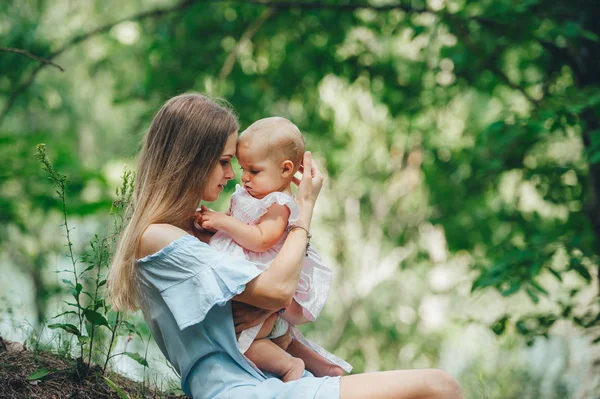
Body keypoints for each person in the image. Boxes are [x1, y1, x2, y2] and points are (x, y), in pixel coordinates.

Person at [108, 92, 463, 399]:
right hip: (243, 392)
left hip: (270, 382)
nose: (232, 175)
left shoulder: (203, 232)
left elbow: (266, 296)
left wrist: (267, 309)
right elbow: (276, 289)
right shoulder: (158, 237)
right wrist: (303, 210)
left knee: (439, 386)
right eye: (223, 161)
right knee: (439, 387)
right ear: (190, 160)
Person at [197, 116, 350, 382]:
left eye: (253, 171)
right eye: (242, 168)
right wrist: (217, 221)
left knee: (244, 342)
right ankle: (325, 368)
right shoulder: (252, 194)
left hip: (267, 284)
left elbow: (261, 239)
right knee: (284, 338)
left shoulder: (280, 203)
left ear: (286, 169)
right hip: (264, 299)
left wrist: (224, 222)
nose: (243, 177)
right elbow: (240, 222)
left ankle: (289, 368)